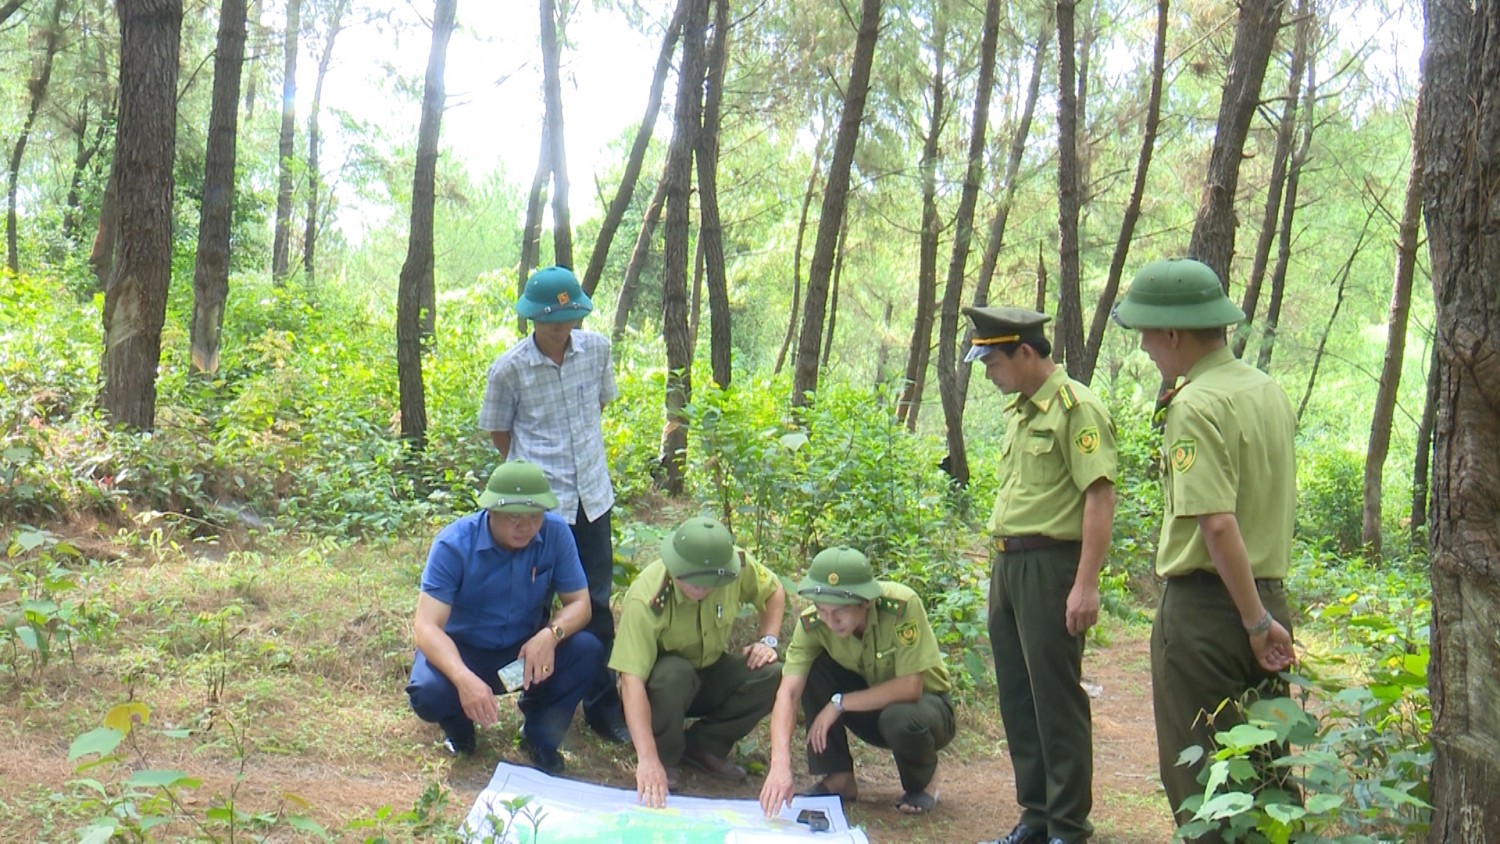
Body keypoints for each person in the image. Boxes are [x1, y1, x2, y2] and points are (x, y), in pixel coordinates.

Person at [1112, 257, 1297, 840]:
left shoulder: (1195, 404)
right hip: (1267, 599)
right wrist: (1265, 615)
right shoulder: (1267, 391)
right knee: (1267, 776)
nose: (1144, 347)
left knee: (1205, 787)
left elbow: (1217, 525)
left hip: (1210, 616)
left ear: (1173, 332)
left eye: (1146, 333)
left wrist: (1252, 620)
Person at [963, 307, 1117, 844]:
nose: (987, 373)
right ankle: (1036, 815)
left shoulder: (1076, 408)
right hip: (1008, 564)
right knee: (1017, 696)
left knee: (1055, 697)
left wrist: (1086, 583)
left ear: (1025, 352)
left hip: (1052, 566)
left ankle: (1068, 827)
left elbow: (1099, 496)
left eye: (993, 361)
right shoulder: (1022, 410)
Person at [477, 265, 630, 744]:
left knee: (595, 602)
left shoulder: (598, 351)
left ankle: (603, 706)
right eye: (550, 320)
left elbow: (598, 407)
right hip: (540, 506)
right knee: (534, 606)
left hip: (592, 497)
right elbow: (500, 433)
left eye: (568, 317)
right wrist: (529, 479)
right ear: (531, 319)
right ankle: (535, 701)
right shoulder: (510, 369)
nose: (560, 328)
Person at [405, 461, 603, 775]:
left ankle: (539, 737)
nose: (525, 527)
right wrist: (462, 677)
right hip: (464, 651)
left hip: (525, 651)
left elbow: (580, 604)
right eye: (513, 517)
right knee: (429, 693)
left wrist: (550, 635)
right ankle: (460, 730)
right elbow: (426, 626)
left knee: (587, 649)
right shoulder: (453, 544)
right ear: (490, 512)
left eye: (534, 516)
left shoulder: (556, 533)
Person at [759, 547, 955, 819]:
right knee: (814, 669)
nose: (830, 621)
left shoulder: (900, 606)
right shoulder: (813, 625)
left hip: (926, 710)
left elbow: (911, 686)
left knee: (900, 718)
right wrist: (779, 765)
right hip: (869, 710)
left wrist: (839, 704)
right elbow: (788, 693)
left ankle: (924, 781)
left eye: (840, 612)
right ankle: (838, 776)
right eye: (822, 610)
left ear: (866, 601)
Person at [609, 516, 787, 808]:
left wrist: (767, 640)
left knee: (772, 673)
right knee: (673, 674)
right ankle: (665, 757)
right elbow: (631, 682)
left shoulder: (735, 566)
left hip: (710, 672)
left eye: (710, 583)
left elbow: (774, 590)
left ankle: (705, 747)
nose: (701, 589)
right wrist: (647, 758)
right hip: (663, 688)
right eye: (691, 580)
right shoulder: (647, 596)